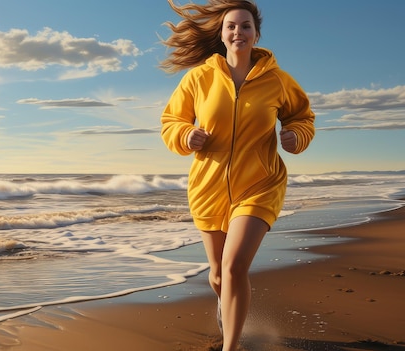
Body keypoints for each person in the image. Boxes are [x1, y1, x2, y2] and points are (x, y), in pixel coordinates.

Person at [159, 0, 315, 349]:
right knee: (218, 275)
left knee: (232, 268)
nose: (238, 31)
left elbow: (302, 116)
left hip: (260, 185)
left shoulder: (277, 80)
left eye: (245, 26)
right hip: (208, 187)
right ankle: (227, 307)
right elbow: (172, 122)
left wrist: (296, 136)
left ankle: (231, 346)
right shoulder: (198, 79)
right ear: (222, 33)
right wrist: (186, 135)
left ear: (256, 34)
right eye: (231, 26)